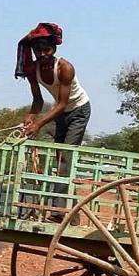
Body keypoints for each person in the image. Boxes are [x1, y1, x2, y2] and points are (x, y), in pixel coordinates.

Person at [14, 23, 91, 222]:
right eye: (38, 50)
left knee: (65, 157)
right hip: (62, 112)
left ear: (54, 49)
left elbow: (63, 103)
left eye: (46, 49)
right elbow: (38, 101)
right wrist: (30, 117)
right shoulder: (33, 70)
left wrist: (38, 124)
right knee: (60, 160)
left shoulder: (65, 68)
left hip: (78, 111)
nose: (42, 54)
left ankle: (58, 213)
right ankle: (70, 213)